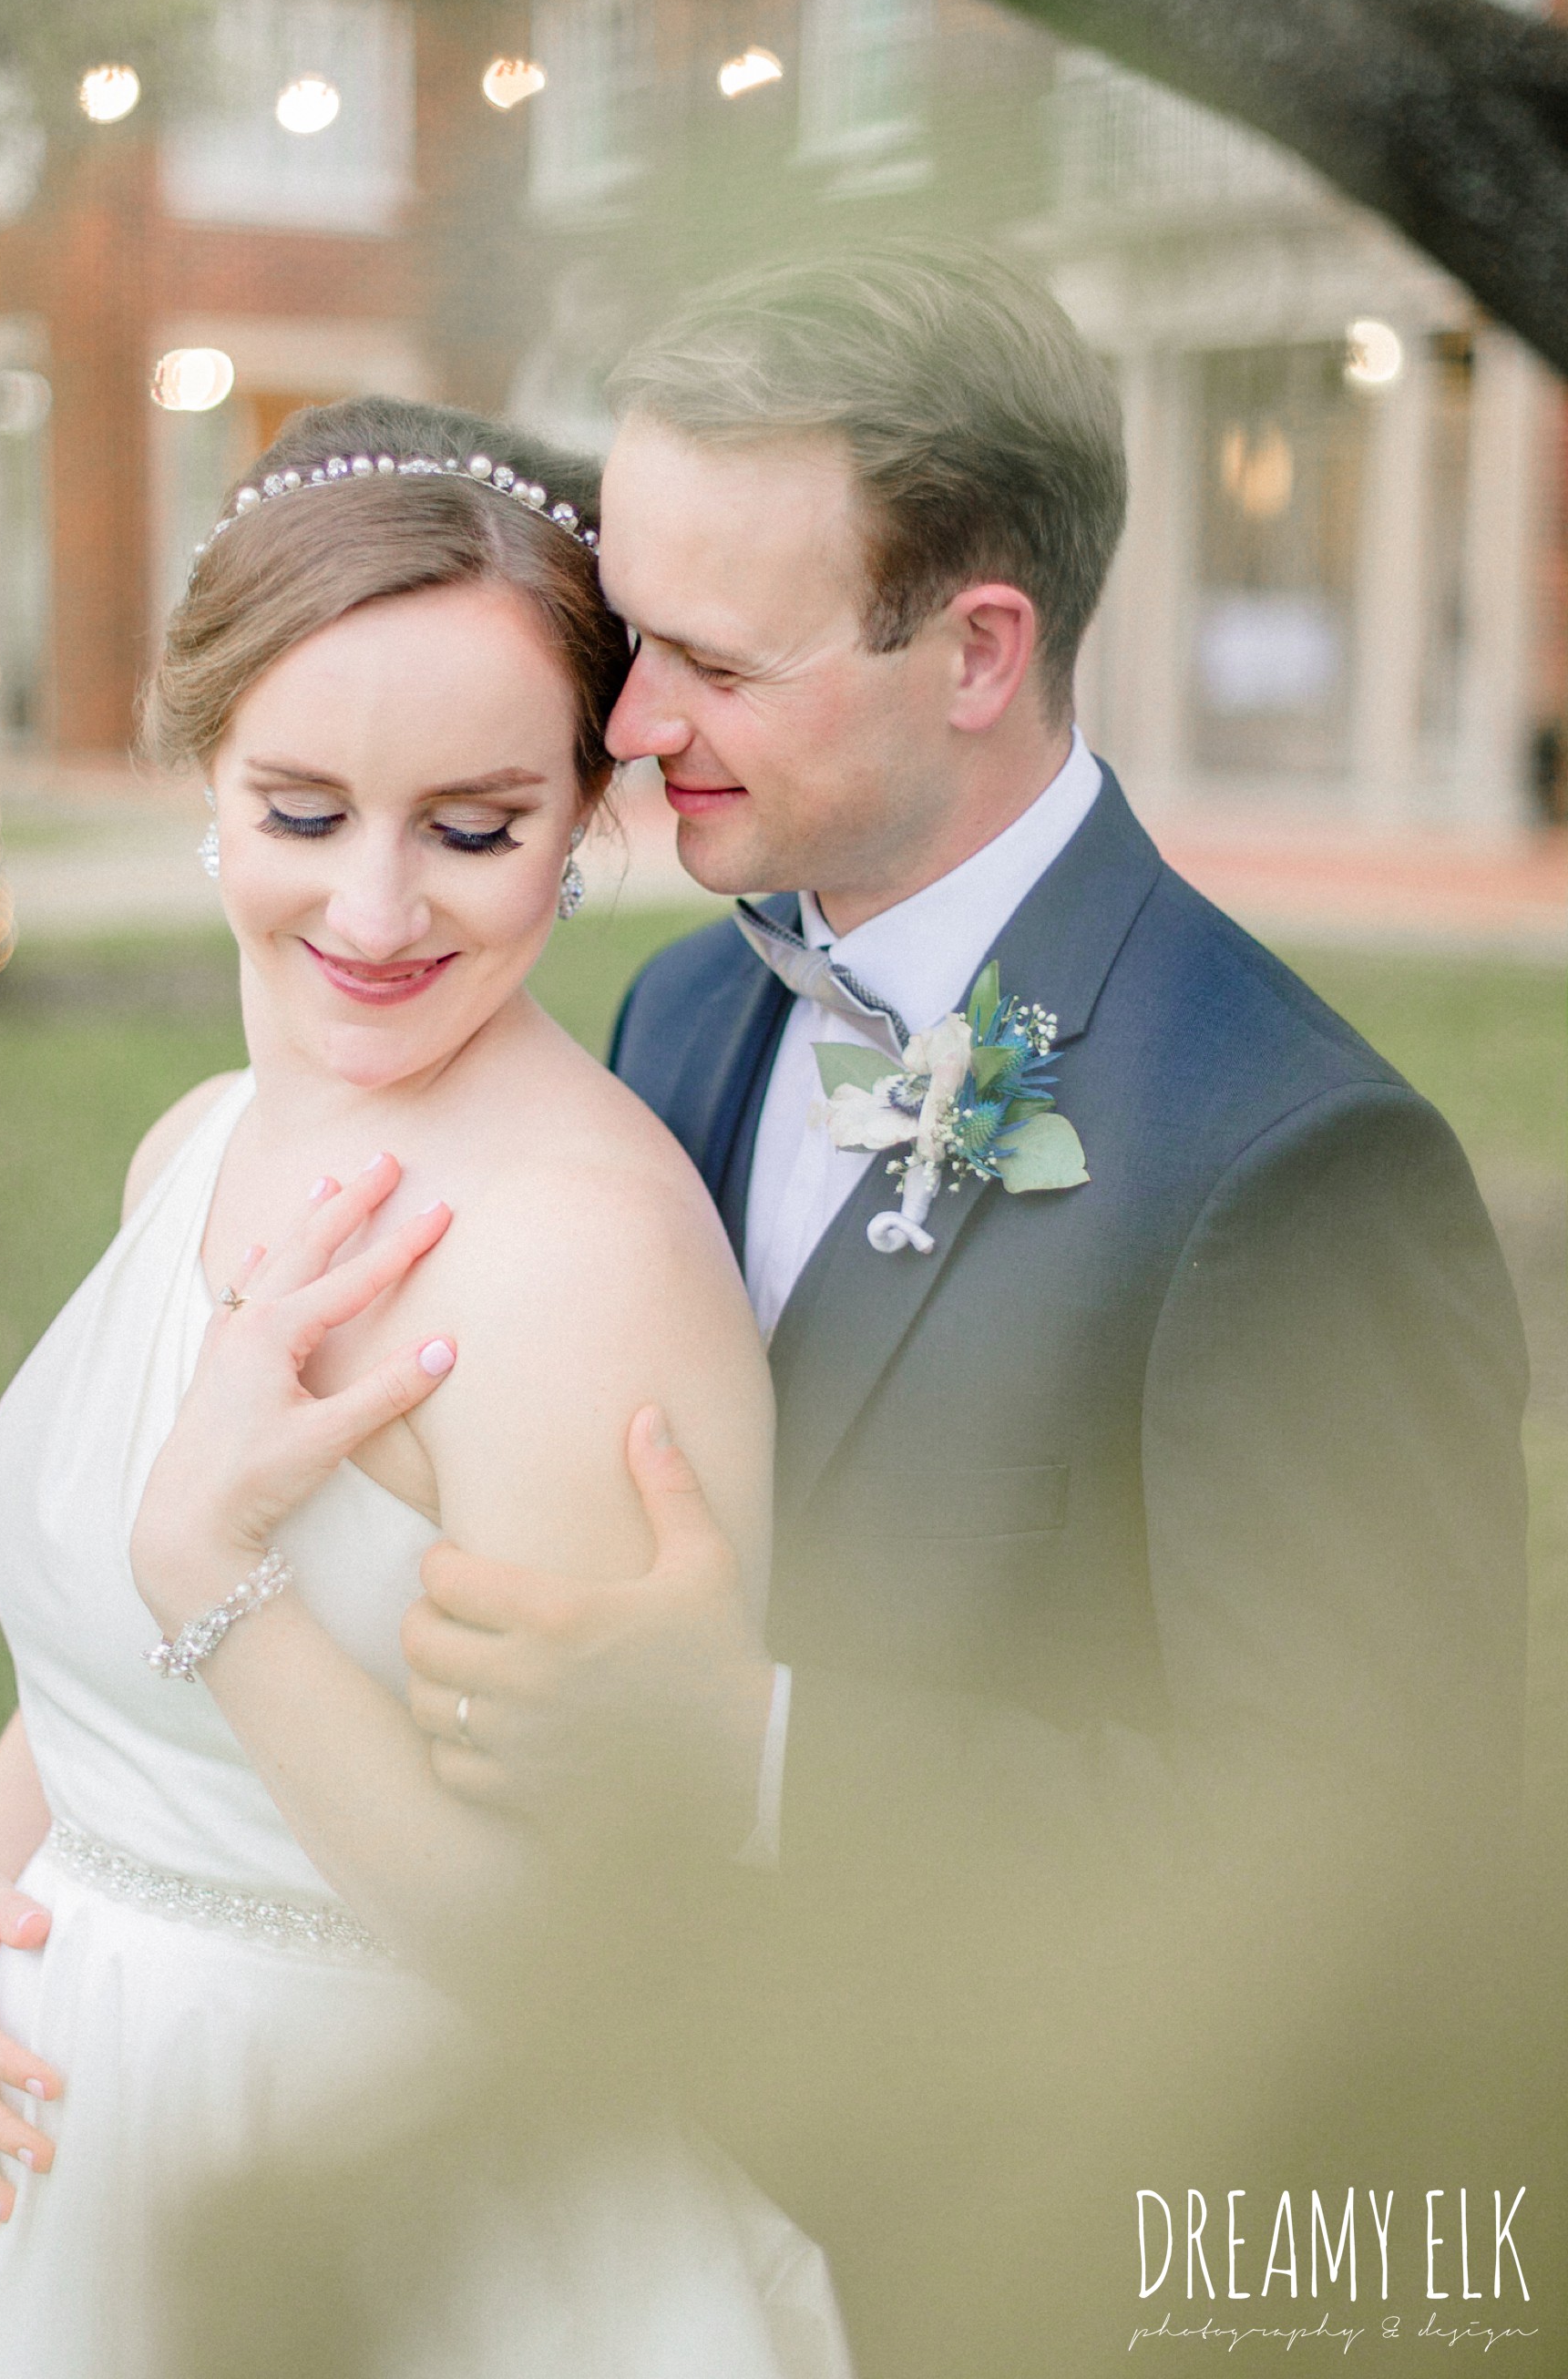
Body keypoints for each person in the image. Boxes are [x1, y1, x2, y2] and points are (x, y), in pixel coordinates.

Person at [389, 252, 1533, 2374]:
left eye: (715, 659)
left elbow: (1372, 1873)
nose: (631, 726)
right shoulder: (685, 999)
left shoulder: (1293, 1166)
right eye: (631, 635)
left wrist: (753, 1737)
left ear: (979, 648)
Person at [0, 400, 850, 2379]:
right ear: (205, 770)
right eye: (305, 809)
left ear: (582, 812)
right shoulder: (189, 1143)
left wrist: (219, 1581)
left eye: (474, 826)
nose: (371, 912)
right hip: (56, 2142)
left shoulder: (576, 1258)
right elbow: (101, 1647)